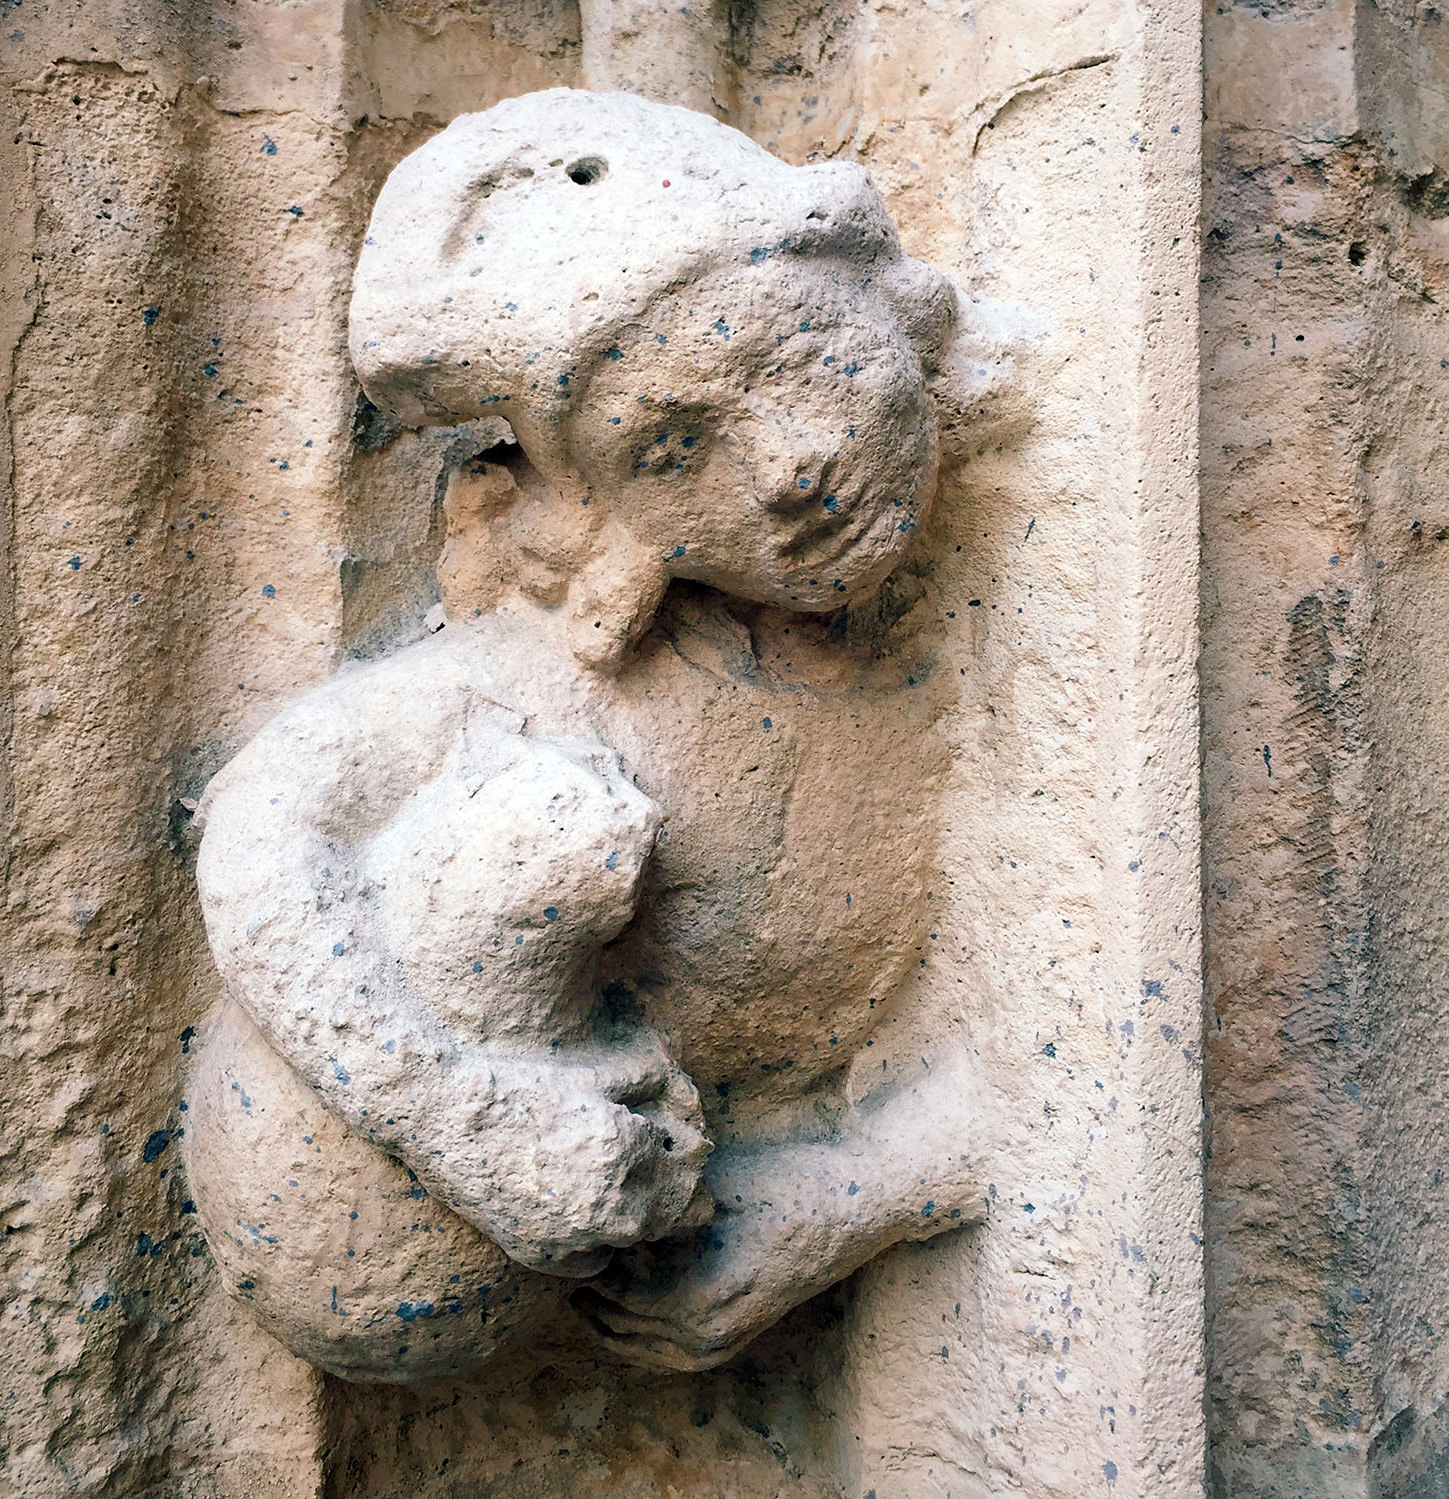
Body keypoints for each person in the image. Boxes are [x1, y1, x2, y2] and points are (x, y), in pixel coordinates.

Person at [185, 88, 982, 1382]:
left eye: (789, 354)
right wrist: (841, 1202)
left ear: (853, 264)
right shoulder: (556, 688)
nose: (785, 471)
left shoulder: (1014, 541)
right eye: (672, 450)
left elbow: (266, 835)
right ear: (608, 519)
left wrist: (453, 1110)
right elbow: (1084, 1065)